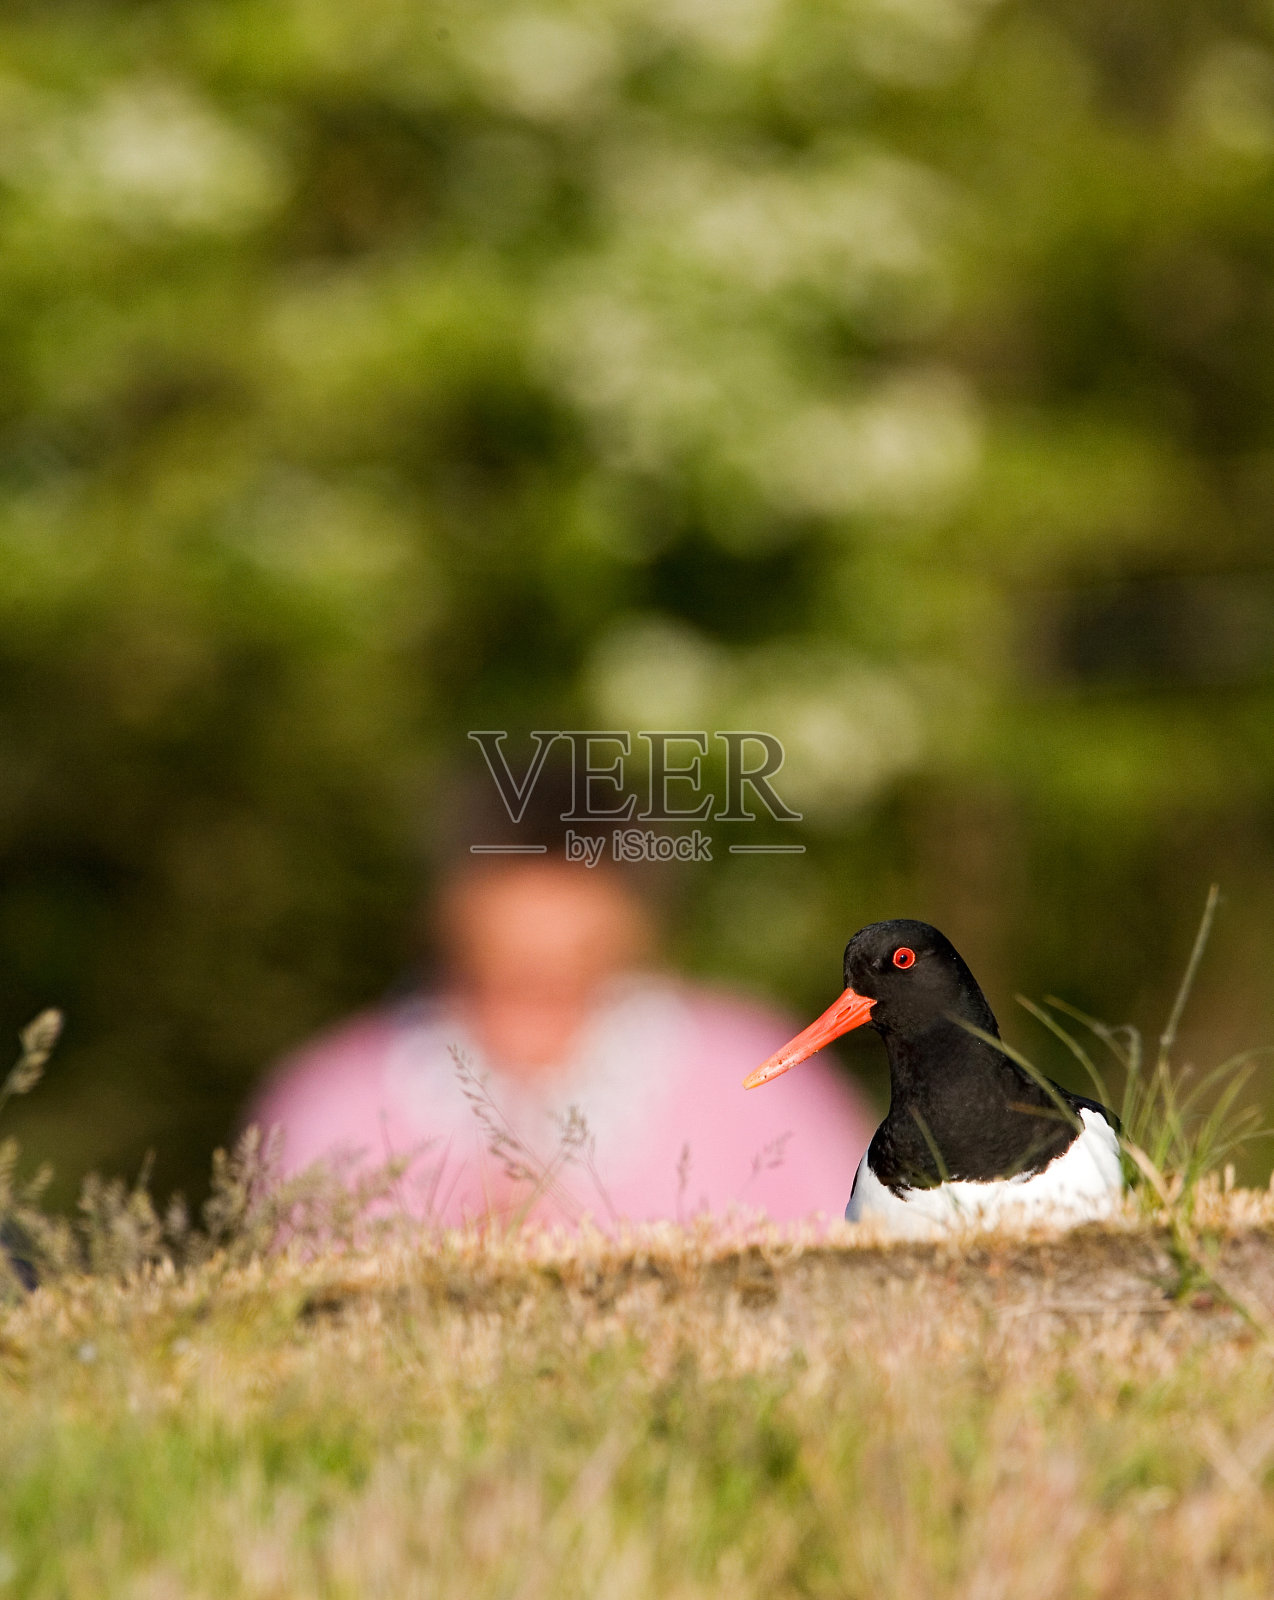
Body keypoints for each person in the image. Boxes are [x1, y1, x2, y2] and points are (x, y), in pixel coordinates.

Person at [248, 836, 875, 1228]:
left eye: (572, 971)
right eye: (509, 973)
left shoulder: (757, 1075)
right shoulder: (332, 1098)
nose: (538, 992)